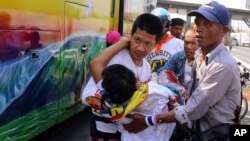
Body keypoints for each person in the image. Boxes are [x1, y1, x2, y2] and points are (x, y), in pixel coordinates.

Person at [123, 1, 241, 141]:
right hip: (198, 131)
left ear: (224, 31)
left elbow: (193, 109)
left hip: (217, 135)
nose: (199, 28)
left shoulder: (221, 65)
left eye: (207, 24)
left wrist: (148, 120)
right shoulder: (198, 56)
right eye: (197, 22)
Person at [81, 13, 163, 141]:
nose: (141, 48)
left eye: (148, 43)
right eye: (137, 40)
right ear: (131, 35)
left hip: (126, 132)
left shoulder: (146, 67)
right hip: (104, 131)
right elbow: (95, 97)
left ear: (156, 44)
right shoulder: (115, 60)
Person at [85, 63, 179, 141]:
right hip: (159, 134)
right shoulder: (151, 92)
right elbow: (169, 96)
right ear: (135, 82)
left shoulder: (108, 108)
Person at [157, 27, 200, 97]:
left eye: (193, 43)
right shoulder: (178, 57)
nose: (189, 47)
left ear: (201, 43)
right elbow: (160, 73)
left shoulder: (206, 61)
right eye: (186, 42)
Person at [146, 7, 184, 73]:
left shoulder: (179, 44)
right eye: (153, 24)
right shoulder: (144, 41)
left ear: (168, 26)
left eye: (161, 24)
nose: (156, 27)